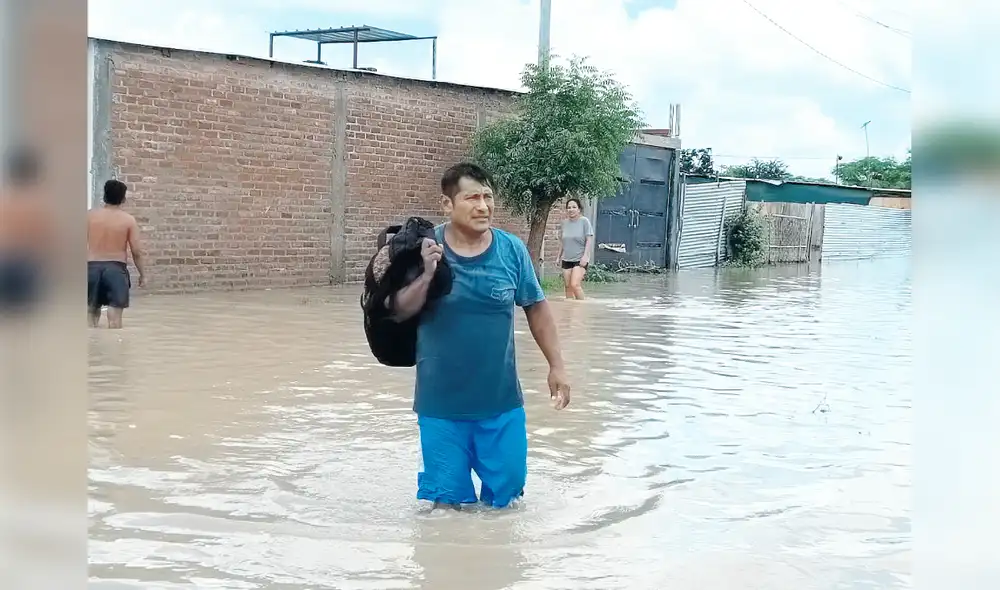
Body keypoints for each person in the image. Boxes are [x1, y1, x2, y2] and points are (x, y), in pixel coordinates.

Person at [391, 162, 571, 510]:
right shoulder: (424, 249)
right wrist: (427, 274)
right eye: (472, 197)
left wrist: (557, 365)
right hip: (440, 408)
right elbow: (398, 310)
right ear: (447, 203)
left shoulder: (511, 250)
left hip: (500, 405)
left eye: (488, 197)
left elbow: (536, 307)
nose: (483, 206)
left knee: (507, 505)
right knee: (446, 511)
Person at [87, 179, 146, 329]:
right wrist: (143, 275)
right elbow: (137, 251)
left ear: (104, 195)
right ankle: (115, 350)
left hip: (90, 269)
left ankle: (91, 350)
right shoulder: (128, 220)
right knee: (114, 319)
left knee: (90, 315)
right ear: (123, 198)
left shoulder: (89, 216)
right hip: (115, 270)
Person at [0, 147, 51, 317]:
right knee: (24, 320)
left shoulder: (4, 200)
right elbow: (48, 241)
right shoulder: (39, 204)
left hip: (4, 262)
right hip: (27, 265)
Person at [557, 197, 594, 300]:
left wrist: (585, 256)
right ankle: (570, 312)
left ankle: (582, 308)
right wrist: (558, 256)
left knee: (575, 285)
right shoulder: (564, 223)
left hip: (580, 259)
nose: (571, 209)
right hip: (567, 259)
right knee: (568, 287)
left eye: (574, 207)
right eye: (569, 207)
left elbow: (589, 240)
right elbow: (563, 241)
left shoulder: (584, 221)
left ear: (579, 209)